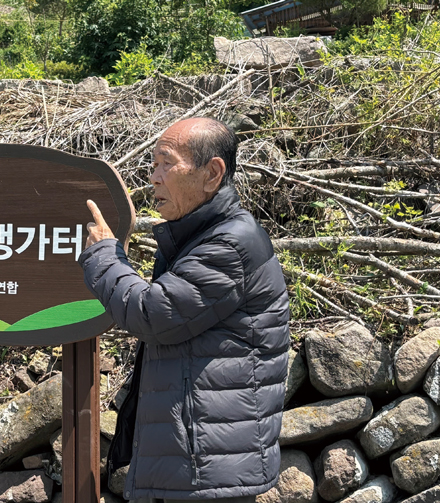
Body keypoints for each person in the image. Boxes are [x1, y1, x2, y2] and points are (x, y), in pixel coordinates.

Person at [78, 117, 290, 503]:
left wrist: (104, 256)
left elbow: (151, 314)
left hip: (208, 472)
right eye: (153, 165)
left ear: (212, 173)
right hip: (196, 465)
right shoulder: (197, 237)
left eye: (166, 164)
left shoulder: (230, 245)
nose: (154, 178)